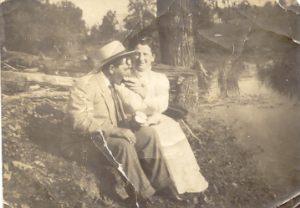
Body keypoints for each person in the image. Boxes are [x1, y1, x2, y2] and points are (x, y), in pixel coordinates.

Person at [61, 41, 183, 207]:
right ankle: (142, 195)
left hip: (104, 138)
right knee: (122, 144)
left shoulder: (113, 85)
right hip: (82, 144)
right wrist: (116, 130)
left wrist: (131, 123)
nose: (128, 73)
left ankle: (162, 185)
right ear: (112, 69)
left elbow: (115, 118)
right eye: (125, 69)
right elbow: (79, 121)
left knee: (148, 134)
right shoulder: (86, 85)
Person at [117, 37, 209, 195]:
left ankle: (182, 183)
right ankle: (163, 183)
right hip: (132, 122)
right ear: (130, 56)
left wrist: (144, 93)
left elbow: (161, 106)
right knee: (153, 135)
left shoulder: (159, 79)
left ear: (152, 57)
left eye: (145, 54)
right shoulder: (122, 78)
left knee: (171, 127)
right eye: (137, 54)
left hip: (155, 117)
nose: (141, 59)